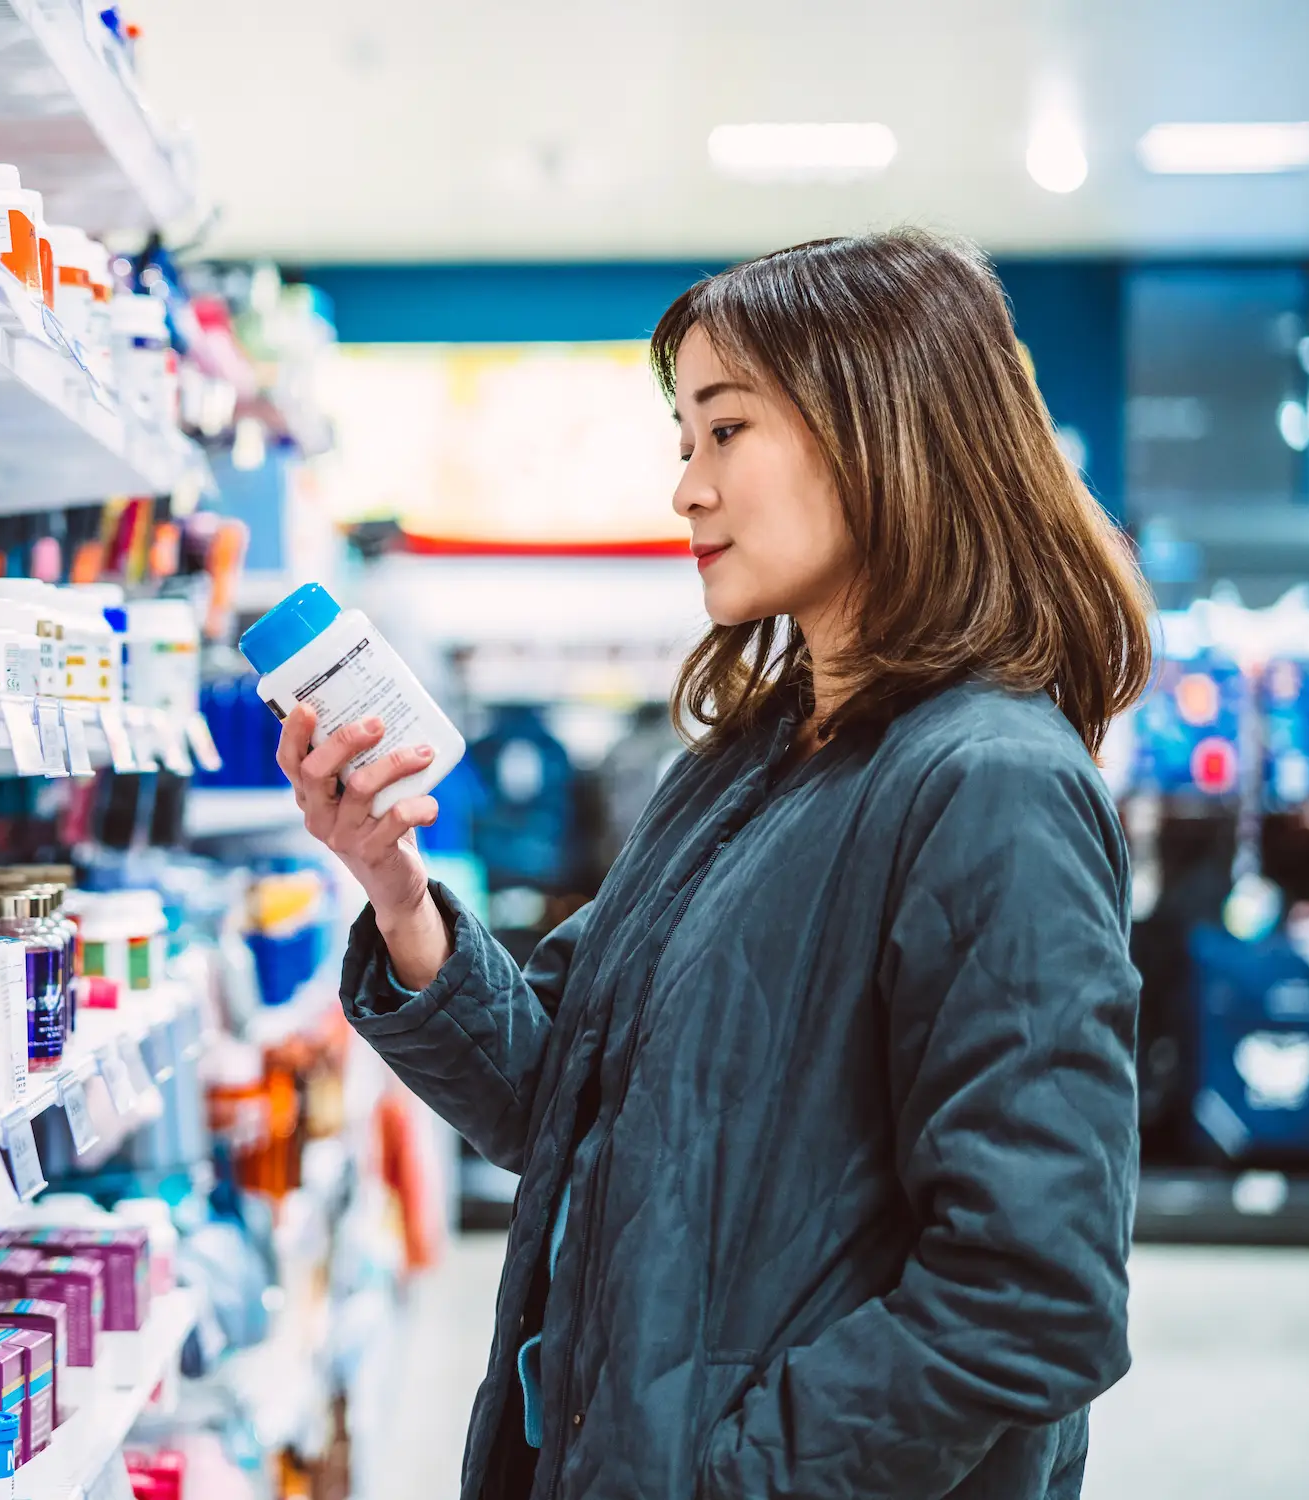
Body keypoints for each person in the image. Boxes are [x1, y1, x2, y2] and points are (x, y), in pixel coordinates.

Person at [277, 229, 1153, 1500]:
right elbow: (552, 1100)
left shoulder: (989, 786)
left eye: (725, 432)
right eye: (682, 444)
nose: (686, 489)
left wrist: (729, 1478)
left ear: (880, 428)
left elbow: (1032, 1296)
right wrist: (394, 890)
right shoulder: (742, 765)